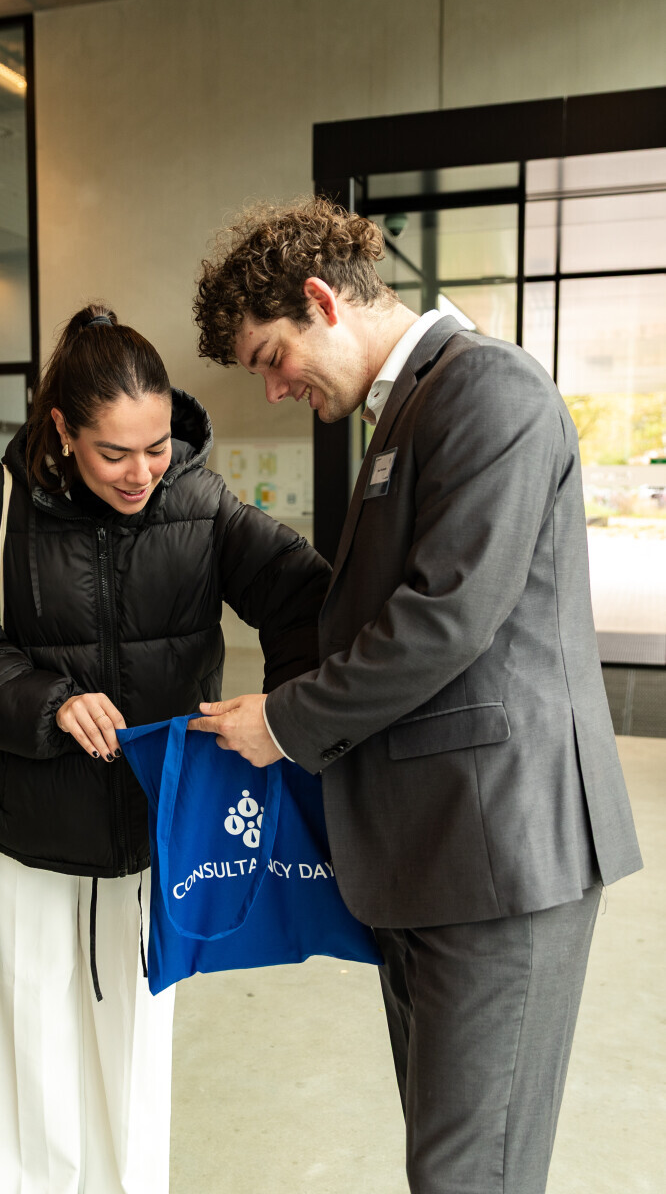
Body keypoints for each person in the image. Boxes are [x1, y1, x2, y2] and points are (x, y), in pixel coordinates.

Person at [189, 198, 643, 1193]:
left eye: (271, 357)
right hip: (437, 855)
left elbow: (446, 616)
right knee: (450, 1162)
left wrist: (285, 723)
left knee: (470, 1172)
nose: (273, 387)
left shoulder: (489, 390)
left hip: (502, 854)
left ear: (323, 301)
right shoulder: (409, 412)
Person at [0, 303, 329, 1194]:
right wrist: (50, 703)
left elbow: (304, 598)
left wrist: (282, 710)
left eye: (157, 446)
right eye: (114, 453)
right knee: (27, 1050)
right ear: (63, 430)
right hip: (28, 829)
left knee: (133, 1051)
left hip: (153, 832)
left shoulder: (199, 501)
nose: (142, 473)